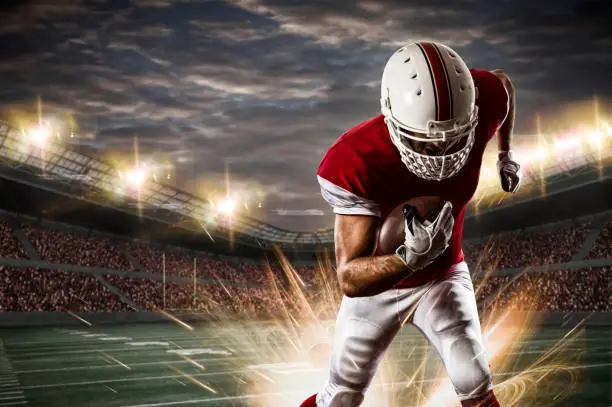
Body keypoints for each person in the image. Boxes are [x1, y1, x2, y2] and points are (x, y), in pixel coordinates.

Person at [300, 41, 521, 407]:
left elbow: (503, 85)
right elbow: (350, 278)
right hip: (380, 289)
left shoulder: (486, 101)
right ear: (390, 116)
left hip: (443, 274)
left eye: (454, 137)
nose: (442, 152)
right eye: (427, 141)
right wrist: (407, 260)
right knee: (341, 397)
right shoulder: (355, 159)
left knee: (474, 379)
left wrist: (506, 154)